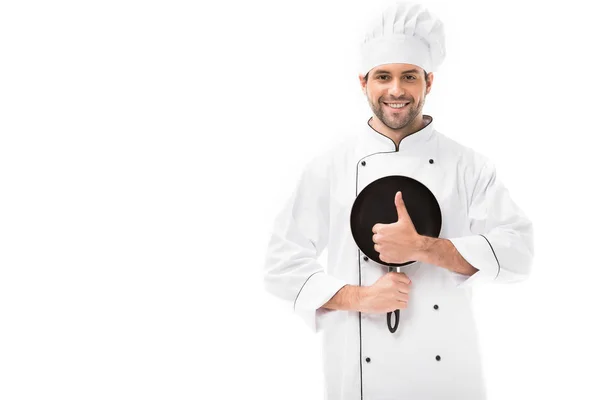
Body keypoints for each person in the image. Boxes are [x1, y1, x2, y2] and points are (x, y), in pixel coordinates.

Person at [263, 1, 534, 399]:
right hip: (358, 375)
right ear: (363, 82)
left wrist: (424, 248)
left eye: (409, 76)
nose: (396, 90)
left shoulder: (468, 166)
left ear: (429, 82)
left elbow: (519, 252)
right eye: (383, 76)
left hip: (449, 378)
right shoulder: (329, 168)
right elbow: (280, 266)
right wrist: (361, 298)